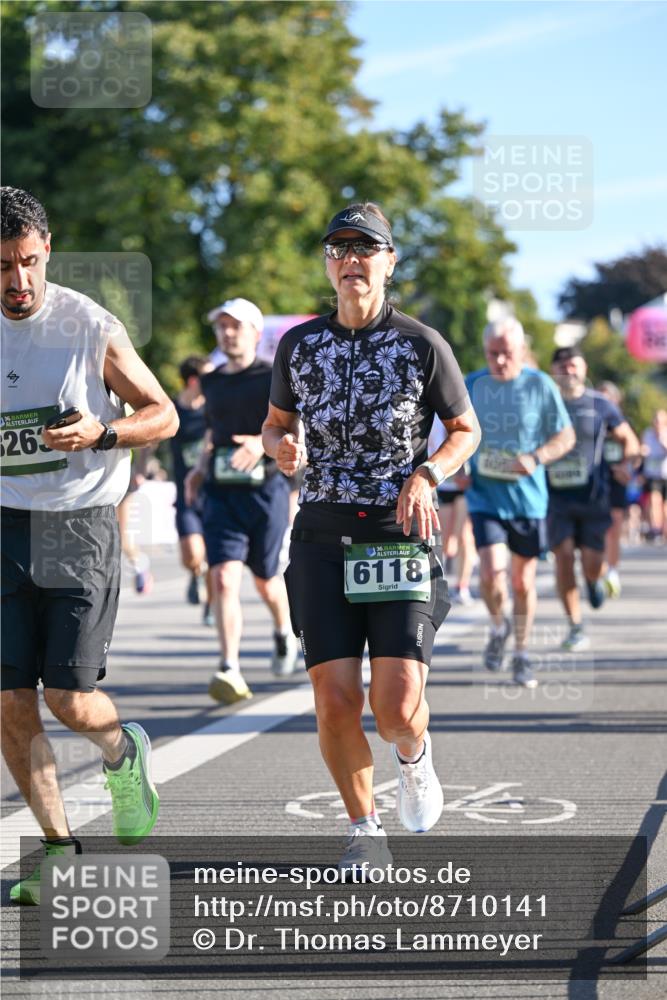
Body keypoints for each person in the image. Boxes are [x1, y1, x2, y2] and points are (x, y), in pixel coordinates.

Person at [262, 202, 479, 876]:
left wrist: (427, 473)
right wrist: (280, 446)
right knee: (334, 700)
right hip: (322, 535)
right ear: (328, 263)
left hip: (397, 535)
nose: (350, 260)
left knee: (396, 710)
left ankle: (413, 759)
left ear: (389, 262)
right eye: (339, 248)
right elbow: (274, 423)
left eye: (365, 249)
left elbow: (465, 430)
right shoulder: (299, 344)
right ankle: (364, 829)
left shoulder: (421, 343)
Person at [0, 187, 178, 903]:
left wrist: (103, 433)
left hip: (79, 527)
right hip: (5, 525)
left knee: (70, 700)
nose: (19, 280)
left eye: (29, 261)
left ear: (48, 250)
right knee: (11, 702)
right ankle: (56, 849)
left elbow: (162, 414)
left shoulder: (89, 325)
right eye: (3, 266)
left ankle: (120, 749)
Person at [186, 298, 298, 703]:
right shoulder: (212, 381)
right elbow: (212, 432)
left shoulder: (273, 377)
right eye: (222, 326)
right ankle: (229, 666)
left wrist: (259, 443)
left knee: (266, 580)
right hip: (221, 492)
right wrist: (199, 469)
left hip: (265, 491)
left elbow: (293, 429)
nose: (228, 333)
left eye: (236, 326)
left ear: (255, 332)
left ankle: (283, 630)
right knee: (221, 578)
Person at [464, 319, 575, 688]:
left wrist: (537, 457)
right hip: (485, 497)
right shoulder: (472, 384)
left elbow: (565, 436)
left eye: (506, 354)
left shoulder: (539, 385)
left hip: (528, 501)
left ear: (521, 351)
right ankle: (499, 627)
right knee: (491, 574)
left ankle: (522, 653)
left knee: (522, 582)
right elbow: (451, 432)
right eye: (492, 354)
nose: (499, 361)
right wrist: (457, 468)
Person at [549, 347, 639, 651]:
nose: (568, 371)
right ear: (553, 371)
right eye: (562, 366)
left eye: (573, 365)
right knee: (563, 557)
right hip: (556, 499)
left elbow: (629, 440)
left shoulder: (600, 404)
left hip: (594, 498)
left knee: (591, 563)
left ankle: (592, 580)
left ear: (584, 368)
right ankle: (575, 626)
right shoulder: (544, 404)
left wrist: (627, 464)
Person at [171, 355, 214, 623]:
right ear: (194, 381)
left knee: (213, 555)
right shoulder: (172, 408)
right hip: (185, 493)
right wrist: (140, 469)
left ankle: (211, 603)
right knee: (192, 554)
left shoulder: (214, 408)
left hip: (214, 492)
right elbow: (152, 442)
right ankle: (195, 573)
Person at [597, 381, 639, 596]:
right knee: (596, 529)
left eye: (608, 398)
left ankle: (611, 571)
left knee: (613, 528)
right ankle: (598, 571)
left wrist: (626, 467)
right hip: (593, 481)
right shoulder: (590, 421)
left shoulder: (623, 424)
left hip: (616, 481)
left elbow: (635, 452)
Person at [428, 417, 475, 604]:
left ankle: (462, 586)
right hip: (441, 485)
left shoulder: (464, 412)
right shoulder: (431, 416)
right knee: (446, 539)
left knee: (465, 537)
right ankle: (440, 583)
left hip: (465, 486)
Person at [641, 409, 667, 542]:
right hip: (652, 474)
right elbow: (643, 448)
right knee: (654, 500)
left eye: (660, 421)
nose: (658, 423)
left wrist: (662, 439)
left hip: (665, 473)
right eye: (656, 420)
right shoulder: (647, 433)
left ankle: (664, 530)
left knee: (665, 506)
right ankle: (656, 529)